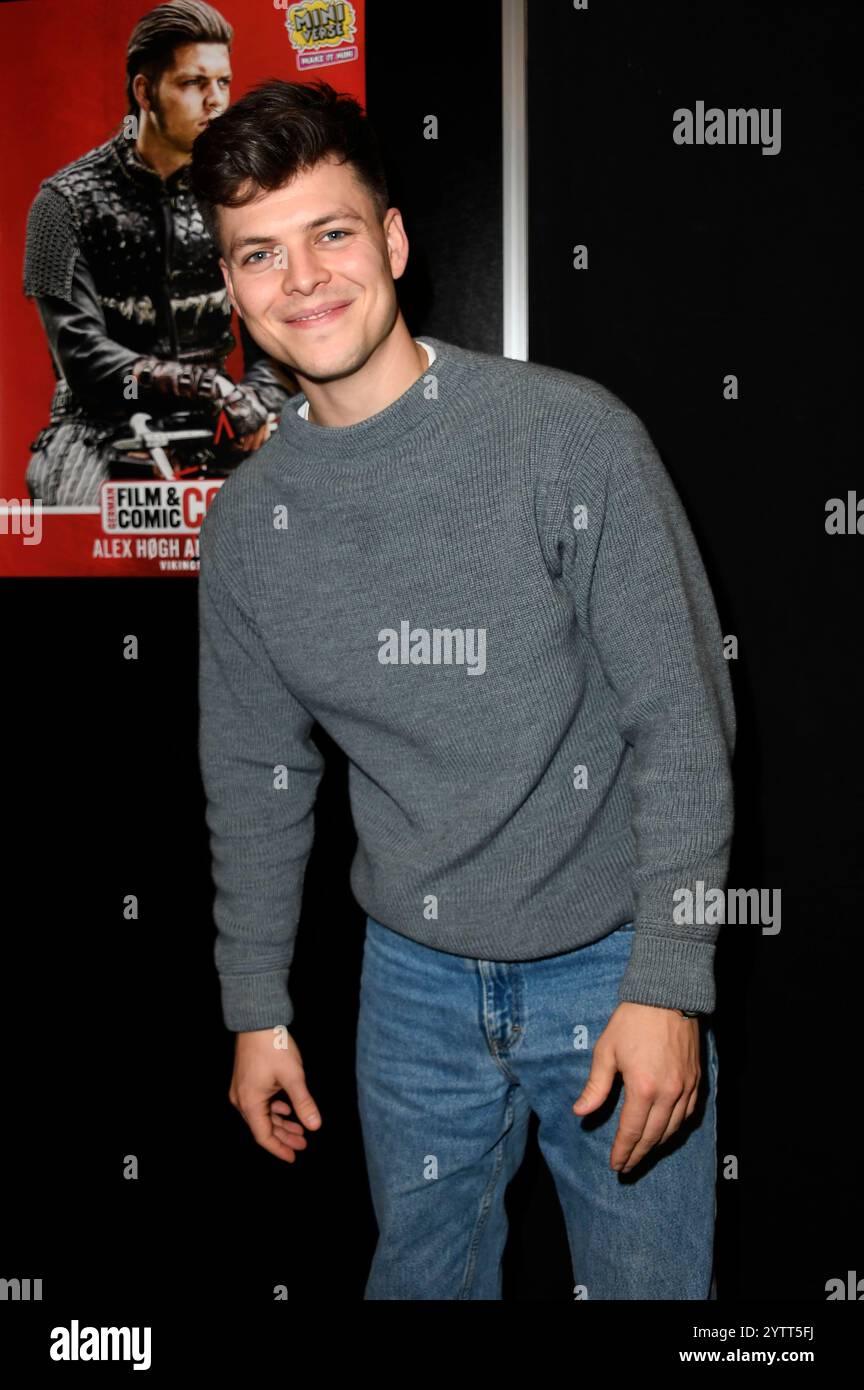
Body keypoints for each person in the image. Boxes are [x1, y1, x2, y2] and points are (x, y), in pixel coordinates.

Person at [192, 78, 736, 1300]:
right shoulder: (248, 528)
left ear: (390, 241)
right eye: (259, 254)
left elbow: (685, 731)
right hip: (412, 985)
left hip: (609, 967)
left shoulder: (569, 441)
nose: (304, 279)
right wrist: (255, 1010)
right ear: (232, 291)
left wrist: (669, 981)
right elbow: (255, 782)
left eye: (331, 233)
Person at [21, 0, 292, 507]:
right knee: (76, 519)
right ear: (145, 91)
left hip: (222, 427)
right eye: (193, 84)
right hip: (97, 431)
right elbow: (82, 355)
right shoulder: (63, 203)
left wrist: (254, 402)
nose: (216, 101)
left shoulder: (242, 200)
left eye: (223, 83)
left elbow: (278, 332)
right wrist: (210, 388)